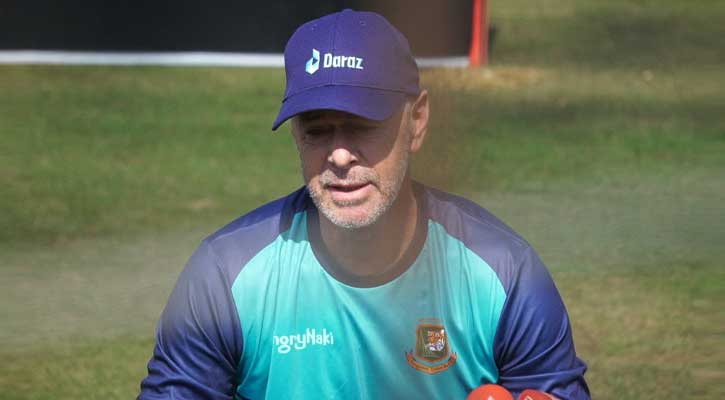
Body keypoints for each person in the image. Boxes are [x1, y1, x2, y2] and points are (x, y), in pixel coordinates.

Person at [138, 9, 589, 400]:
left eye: (361, 125)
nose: (338, 155)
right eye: (317, 130)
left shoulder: (505, 274)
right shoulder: (224, 276)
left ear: (417, 121)